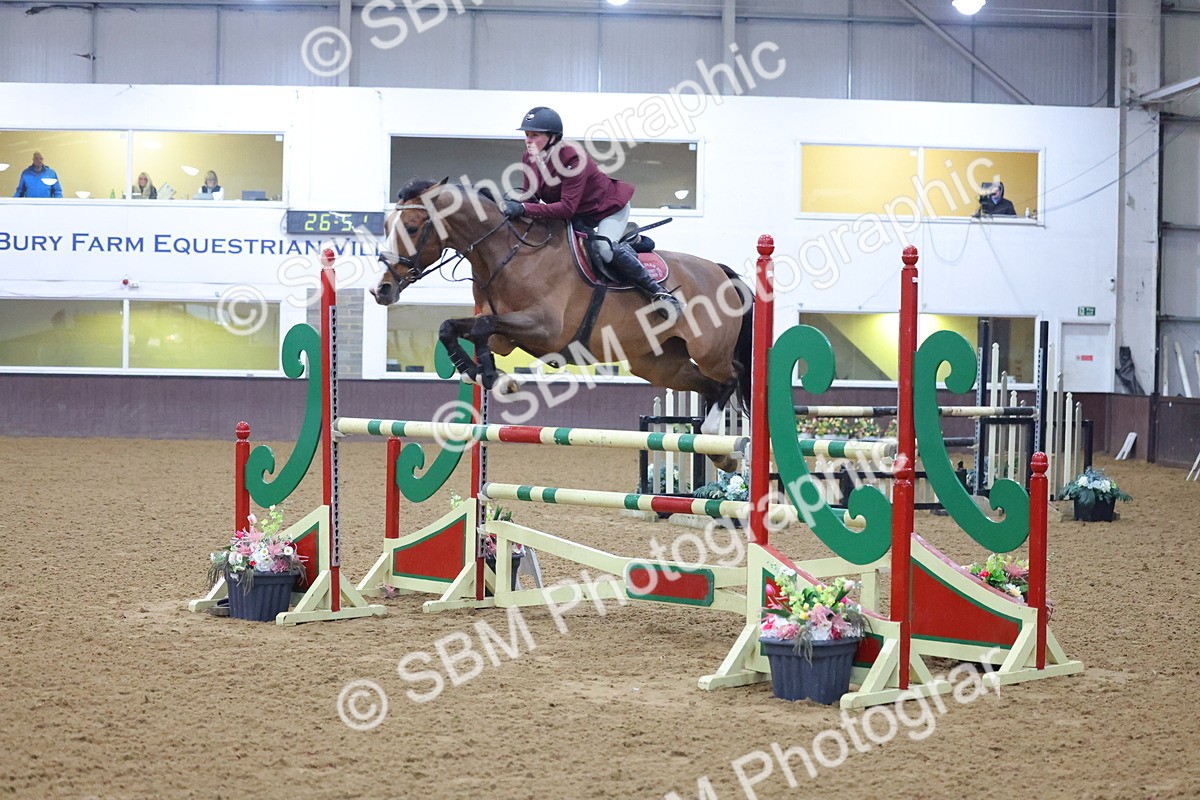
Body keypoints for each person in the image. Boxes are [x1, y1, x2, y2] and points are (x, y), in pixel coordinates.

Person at [500, 106, 683, 323]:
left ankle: (659, 294)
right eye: (526, 135)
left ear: (552, 137)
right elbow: (531, 199)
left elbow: (565, 208)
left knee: (603, 249)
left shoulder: (572, 158)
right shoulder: (529, 158)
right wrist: (515, 207)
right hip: (577, 215)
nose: (528, 141)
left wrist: (523, 209)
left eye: (534, 135)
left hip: (607, 209)